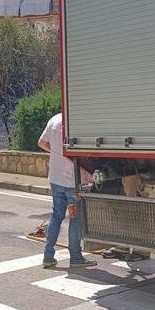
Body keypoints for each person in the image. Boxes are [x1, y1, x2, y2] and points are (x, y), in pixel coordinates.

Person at [37, 113, 97, 268]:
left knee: (56, 215)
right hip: (73, 180)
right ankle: (76, 257)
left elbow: (41, 143)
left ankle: (48, 256)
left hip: (56, 178)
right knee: (75, 218)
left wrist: (56, 153)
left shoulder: (54, 120)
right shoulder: (76, 122)